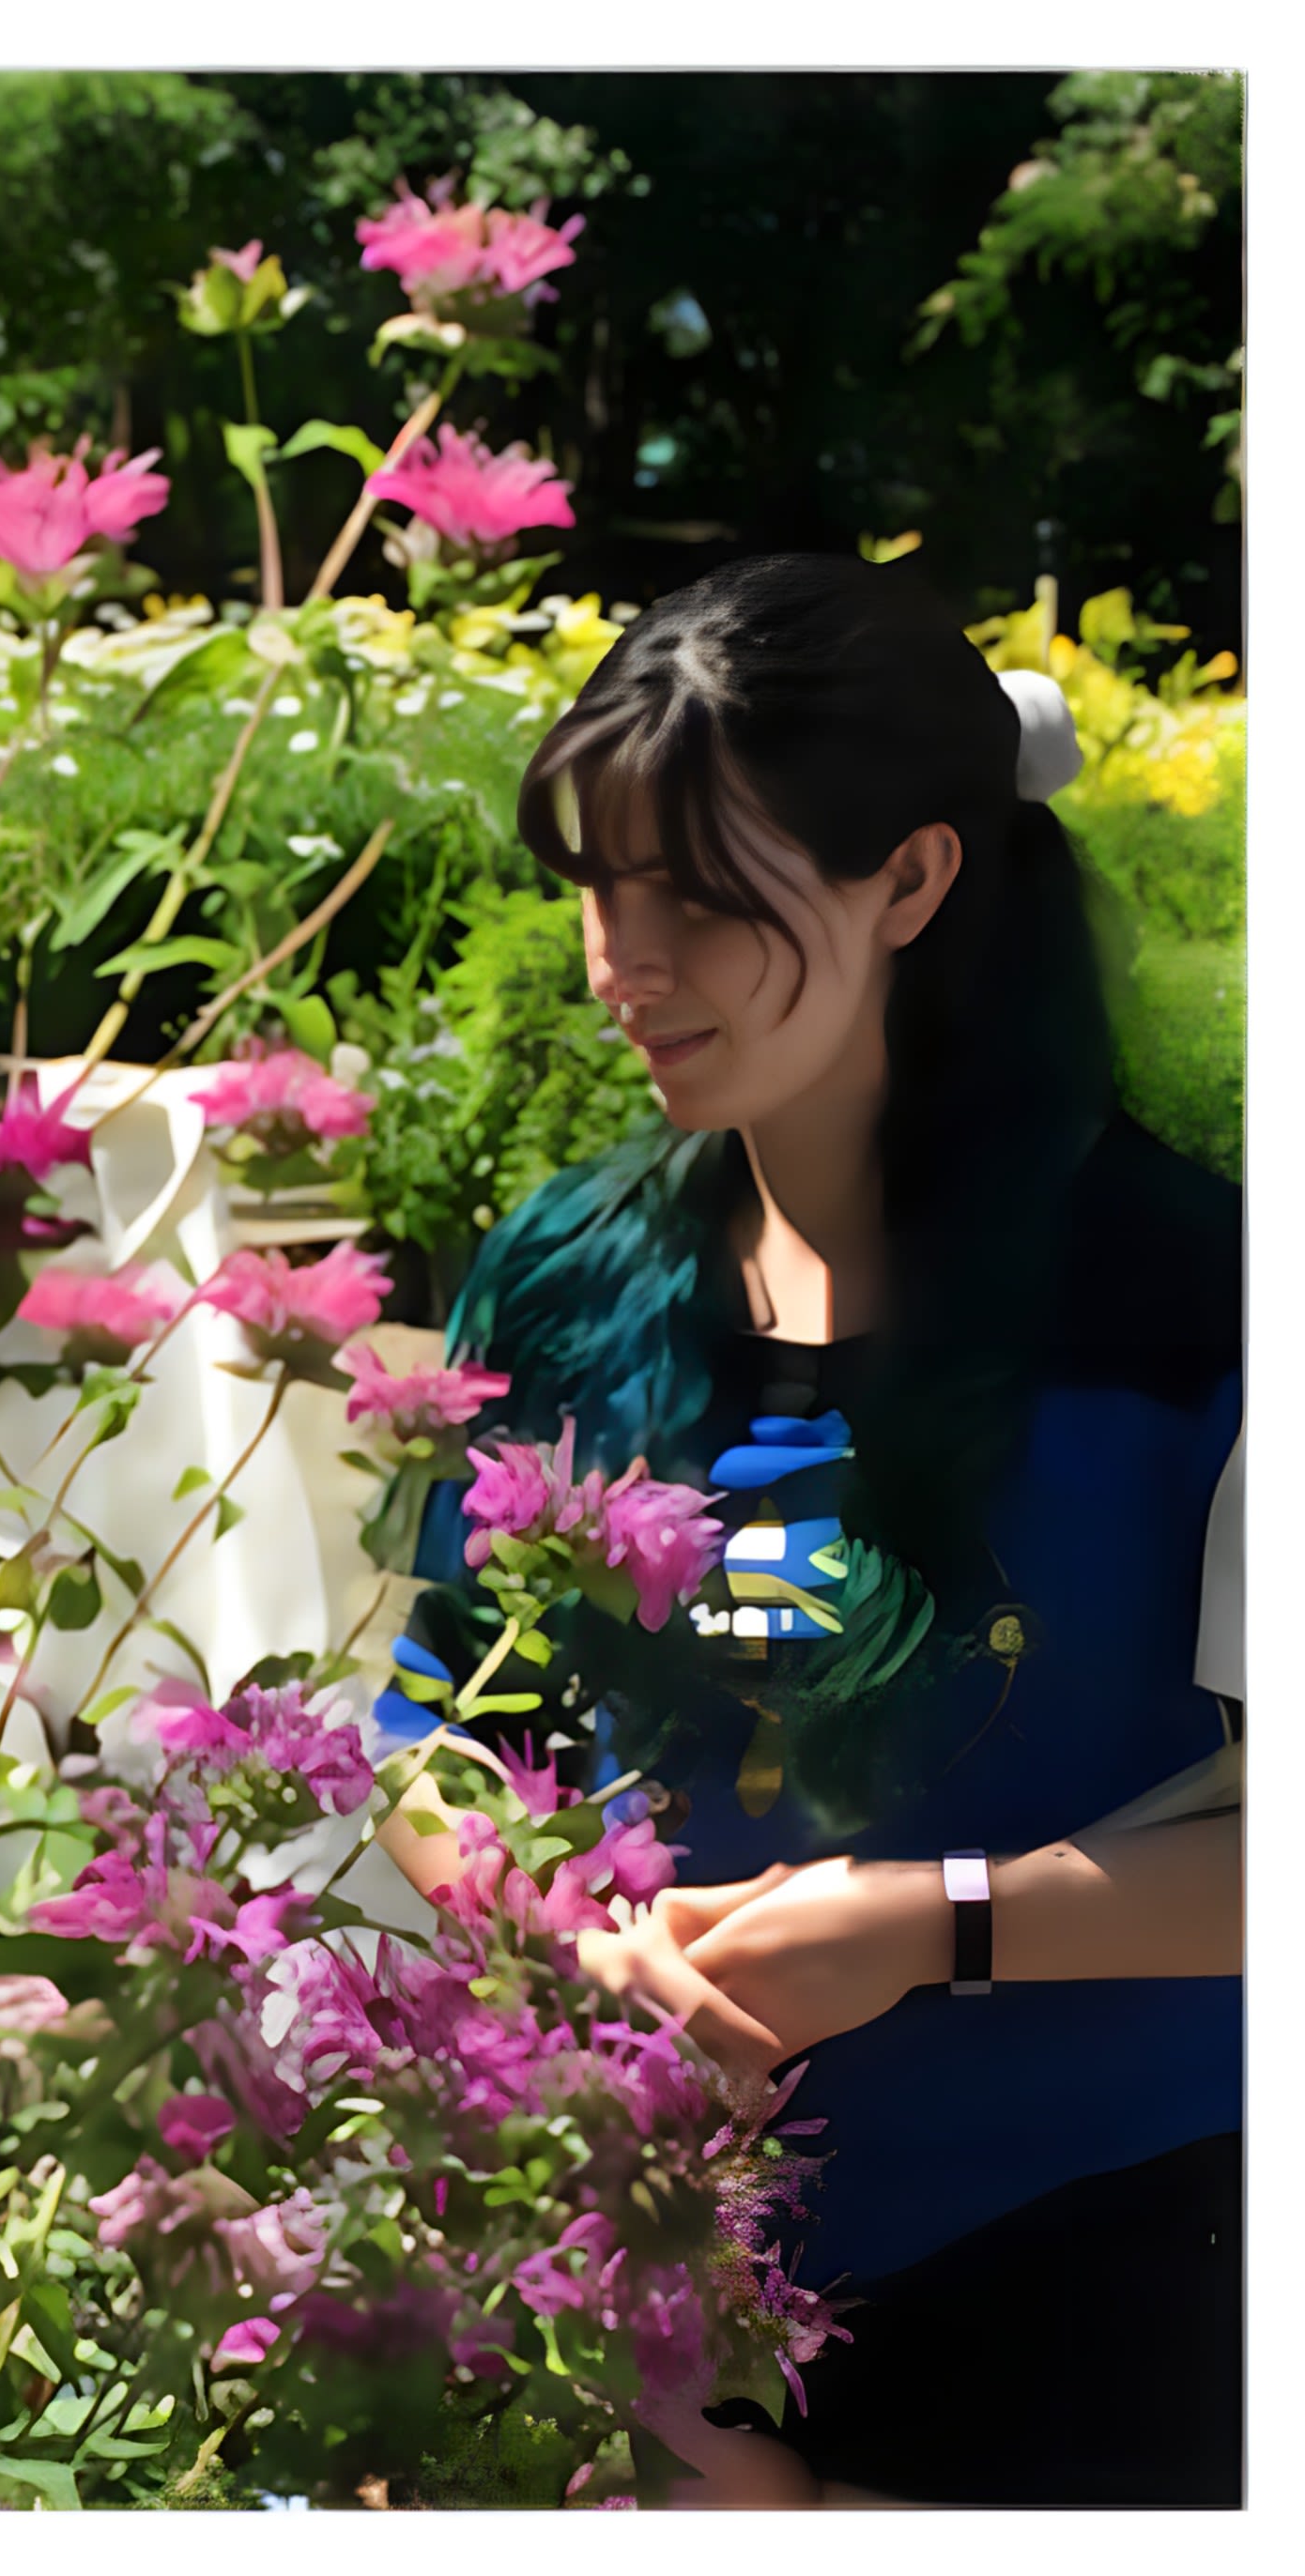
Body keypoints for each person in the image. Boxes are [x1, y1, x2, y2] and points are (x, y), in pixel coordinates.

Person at [381, 555, 1243, 2507]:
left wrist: (928, 1929)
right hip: (639, 2242)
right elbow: (434, 1716)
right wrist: (547, 1927)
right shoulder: (562, 1277)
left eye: (697, 895)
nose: (627, 962)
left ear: (914, 882)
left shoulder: (1195, 1306)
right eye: (600, 888)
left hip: (1104, 2273)